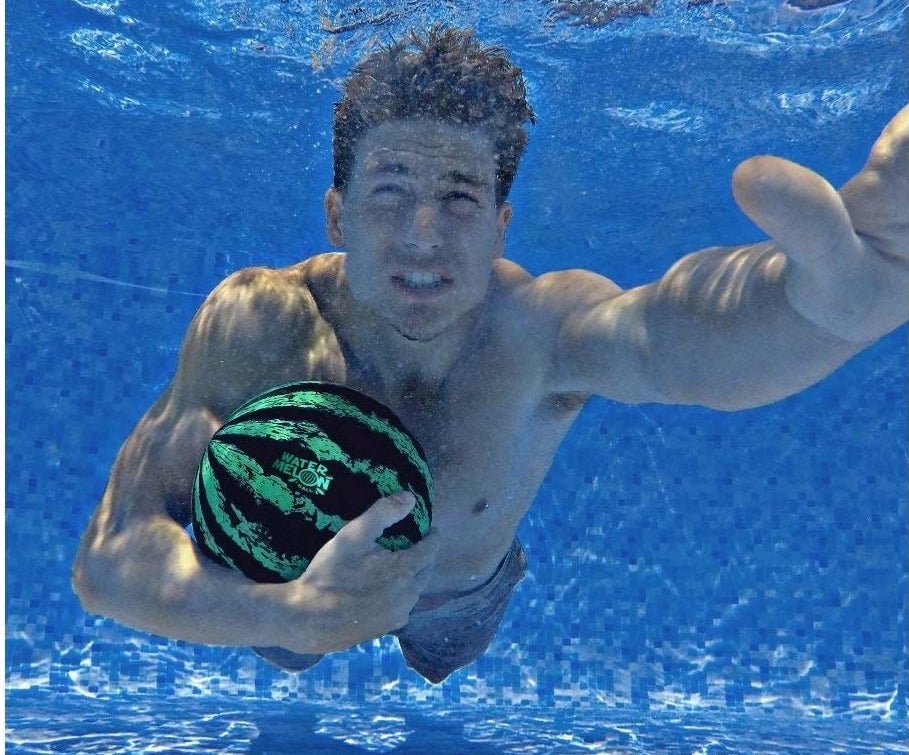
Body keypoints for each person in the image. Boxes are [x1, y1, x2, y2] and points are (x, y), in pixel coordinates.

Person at [71, 26, 908, 685]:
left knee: (445, 657)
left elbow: (666, 339)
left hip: (458, 595)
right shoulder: (258, 321)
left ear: (504, 224)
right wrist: (283, 614)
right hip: (284, 586)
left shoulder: (536, 330)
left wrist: (820, 311)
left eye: (460, 196)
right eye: (389, 190)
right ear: (337, 213)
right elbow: (109, 556)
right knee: (290, 656)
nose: (421, 237)